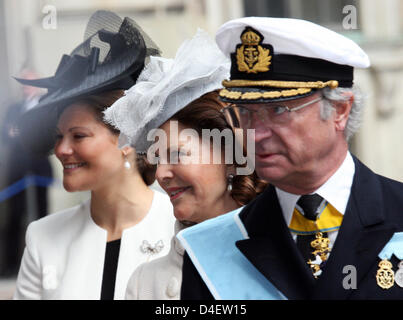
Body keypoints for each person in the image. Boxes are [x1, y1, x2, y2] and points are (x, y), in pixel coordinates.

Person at [176, 17, 403, 300]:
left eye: (279, 110)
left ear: (340, 110)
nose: (255, 134)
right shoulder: (211, 250)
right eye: (245, 112)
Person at [13, 11, 175, 300]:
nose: (62, 150)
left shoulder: (179, 226)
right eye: (58, 137)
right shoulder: (42, 237)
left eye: (78, 136)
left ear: (127, 138)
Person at [104, 31, 266, 299]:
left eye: (177, 155)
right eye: (157, 158)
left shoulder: (289, 249)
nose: (161, 174)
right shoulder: (146, 283)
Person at [1, 69, 53, 277]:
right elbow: (6, 134)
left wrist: (22, 133)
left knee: (42, 217)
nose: (26, 87)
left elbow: (49, 133)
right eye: (23, 83)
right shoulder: (13, 109)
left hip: (39, 169)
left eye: (29, 82)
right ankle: (12, 265)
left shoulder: (46, 105)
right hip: (18, 172)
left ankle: (45, 262)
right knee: (15, 216)